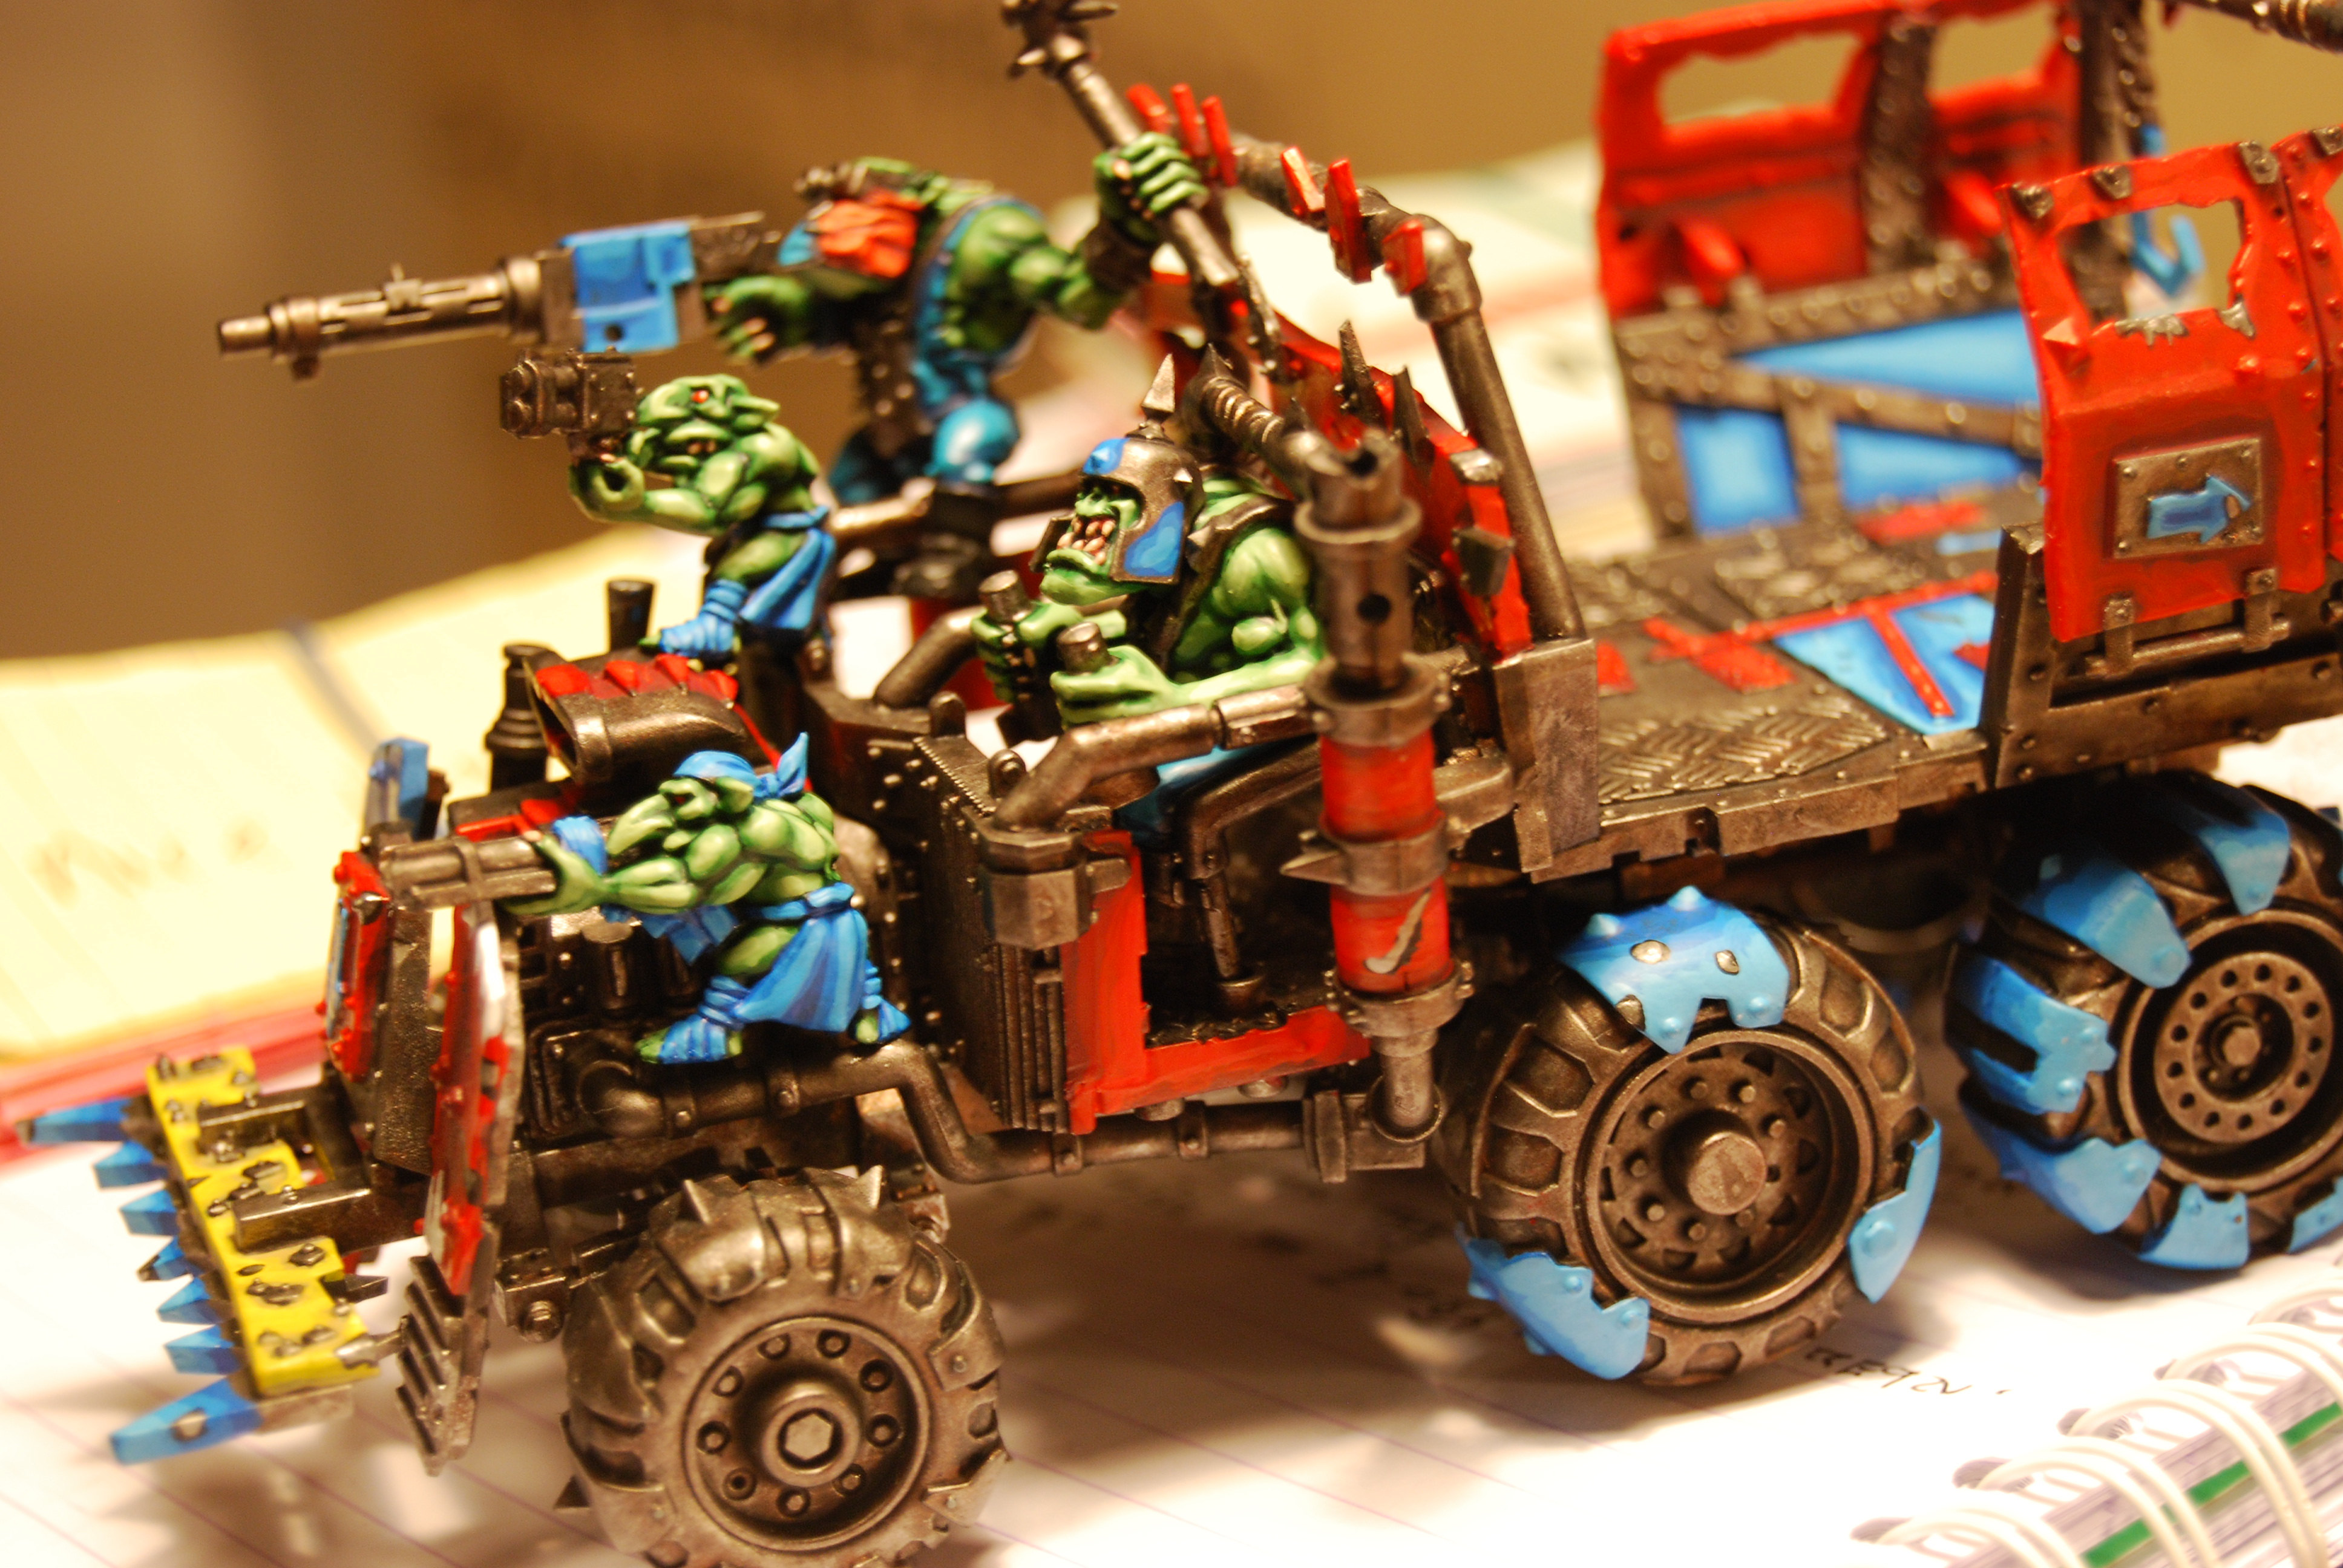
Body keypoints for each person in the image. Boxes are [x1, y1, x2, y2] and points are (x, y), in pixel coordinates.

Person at [506, 736, 906, 1063]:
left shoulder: (745, 833)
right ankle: (872, 1017)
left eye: (685, 798)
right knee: (859, 965)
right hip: (844, 919)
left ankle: (716, 1032)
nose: (673, 809)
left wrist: (602, 889)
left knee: (736, 960)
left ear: (726, 795)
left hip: (799, 926)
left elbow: (686, 888)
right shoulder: (803, 806)